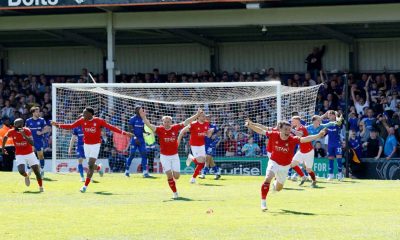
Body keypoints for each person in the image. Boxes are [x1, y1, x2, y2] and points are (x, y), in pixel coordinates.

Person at [246, 119, 326, 211]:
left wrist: (318, 135)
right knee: (268, 178)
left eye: (289, 129)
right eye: (286, 129)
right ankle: (263, 203)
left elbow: (305, 139)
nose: (288, 131)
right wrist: (250, 125)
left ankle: (276, 184)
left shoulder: (293, 139)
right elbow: (261, 130)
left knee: (278, 188)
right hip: (274, 162)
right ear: (280, 129)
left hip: (285, 166)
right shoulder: (273, 134)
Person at [51, 107, 132, 193]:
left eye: (84, 113)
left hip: (96, 145)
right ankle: (99, 168)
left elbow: (111, 127)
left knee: (90, 165)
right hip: (86, 145)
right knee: (91, 165)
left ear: (90, 114)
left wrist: (124, 133)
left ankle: (85, 186)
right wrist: (58, 125)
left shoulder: (99, 121)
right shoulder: (82, 120)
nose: (83, 114)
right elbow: (71, 126)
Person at [140, 107, 201, 199]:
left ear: (171, 122)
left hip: (174, 156)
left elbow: (186, 121)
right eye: (165, 122)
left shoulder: (175, 128)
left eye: (168, 121)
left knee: (176, 177)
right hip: (164, 157)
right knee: (169, 175)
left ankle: (189, 160)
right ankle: (175, 193)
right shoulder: (159, 129)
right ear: (162, 122)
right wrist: (144, 118)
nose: (166, 123)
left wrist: (197, 115)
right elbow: (149, 125)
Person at [2, 118, 44, 192]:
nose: (14, 126)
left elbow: (32, 143)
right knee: (21, 171)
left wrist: (24, 135)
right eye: (14, 124)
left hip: (30, 154)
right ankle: (26, 176)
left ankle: (41, 187)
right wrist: (3, 148)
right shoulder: (11, 131)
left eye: (16, 125)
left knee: (37, 172)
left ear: (21, 125)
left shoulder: (27, 130)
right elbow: (5, 137)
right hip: (19, 155)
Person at [178, 111, 214, 184]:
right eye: (203, 116)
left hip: (202, 145)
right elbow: (182, 131)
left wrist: (210, 132)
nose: (204, 117)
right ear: (198, 117)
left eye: (205, 116)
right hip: (194, 145)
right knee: (200, 162)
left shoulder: (207, 124)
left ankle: (193, 178)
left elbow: (207, 135)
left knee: (202, 163)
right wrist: (178, 140)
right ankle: (191, 158)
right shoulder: (193, 124)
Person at [25, 107, 51, 178]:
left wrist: (41, 132)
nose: (38, 113)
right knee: (29, 156)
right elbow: (24, 130)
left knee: (40, 156)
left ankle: (42, 170)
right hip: (31, 141)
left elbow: (48, 129)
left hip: (39, 141)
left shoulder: (42, 120)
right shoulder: (28, 121)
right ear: (33, 112)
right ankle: (29, 170)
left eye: (39, 112)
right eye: (37, 112)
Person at [125, 106, 150, 178]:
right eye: (141, 110)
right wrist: (135, 138)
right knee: (132, 154)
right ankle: (127, 171)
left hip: (141, 140)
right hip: (134, 139)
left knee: (144, 154)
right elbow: (130, 130)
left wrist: (146, 132)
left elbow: (142, 129)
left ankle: (145, 172)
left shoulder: (143, 119)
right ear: (137, 111)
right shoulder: (132, 119)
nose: (142, 111)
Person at [321, 110, 345, 181]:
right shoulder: (326, 122)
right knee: (330, 159)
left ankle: (340, 175)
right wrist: (325, 114)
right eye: (329, 115)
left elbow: (340, 122)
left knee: (339, 159)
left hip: (337, 143)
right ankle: (331, 175)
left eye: (331, 115)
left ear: (334, 116)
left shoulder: (337, 122)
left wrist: (337, 115)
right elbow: (319, 119)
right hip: (330, 144)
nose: (329, 116)